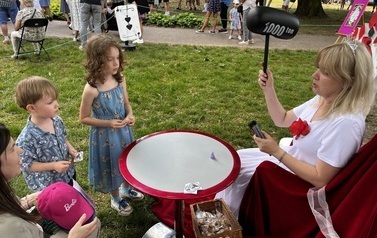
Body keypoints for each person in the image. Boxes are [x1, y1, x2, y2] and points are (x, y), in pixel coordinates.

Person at [215, 41, 376, 219]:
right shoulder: (322, 100)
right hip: (289, 162)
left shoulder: (346, 123)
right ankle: (223, 219)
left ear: (349, 81)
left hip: (297, 185)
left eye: (326, 73)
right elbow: (282, 119)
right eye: (318, 68)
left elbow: (320, 179)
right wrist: (269, 89)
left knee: (241, 177)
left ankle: (229, 223)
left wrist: (276, 151)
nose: (315, 75)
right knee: (237, 160)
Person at [79, 34, 144, 216]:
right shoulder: (92, 88)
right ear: (97, 61)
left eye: (117, 58)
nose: (116, 63)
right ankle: (116, 197)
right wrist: (108, 122)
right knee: (112, 164)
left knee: (125, 160)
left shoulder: (120, 79)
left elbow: (126, 104)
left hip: (123, 132)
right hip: (105, 136)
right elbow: (83, 118)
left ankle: (126, 188)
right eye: (110, 60)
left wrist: (130, 114)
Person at [0, 122, 100, 237]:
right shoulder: (9, 227)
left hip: (31, 227)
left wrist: (28, 201)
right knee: (92, 225)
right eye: (12, 149)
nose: (20, 151)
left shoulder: (3, 190)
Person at [15, 76, 78, 192]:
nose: (56, 104)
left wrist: (70, 148)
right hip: (49, 185)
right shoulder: (26, 139)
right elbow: (27, 165)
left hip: (67, 175)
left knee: (71, 198)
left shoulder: (57, 120)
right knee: (58, 208)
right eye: (50, 102)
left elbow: (63, 137)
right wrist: (53, 166)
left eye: (55, 100)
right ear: (32, 108)